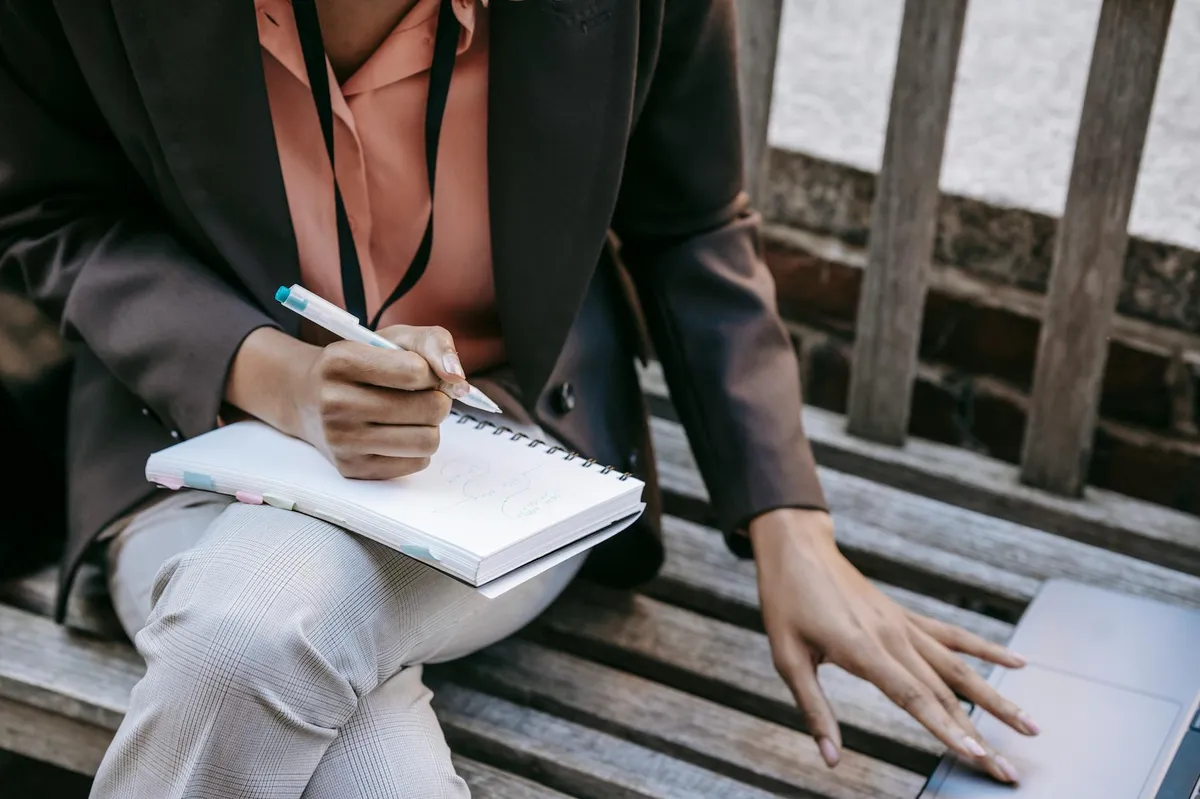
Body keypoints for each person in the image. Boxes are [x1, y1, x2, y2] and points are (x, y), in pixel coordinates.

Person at [0, 0, 1037, 795]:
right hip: (190, 436)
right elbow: (50, 210)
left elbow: (691, 224)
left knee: (250, 631)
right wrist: (282, 376)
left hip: (506, 455)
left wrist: (789, 525)